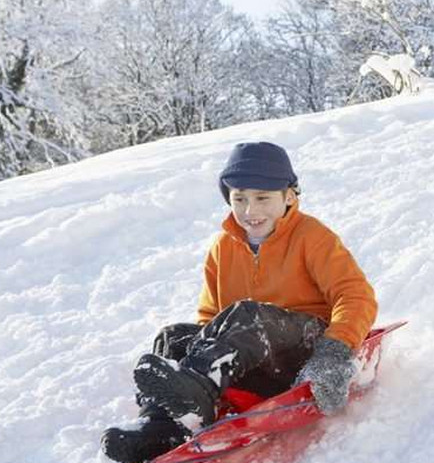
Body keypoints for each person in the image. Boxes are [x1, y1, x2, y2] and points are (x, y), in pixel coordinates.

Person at [100, 142, 379, 463]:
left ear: (288, 196)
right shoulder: (223, 248)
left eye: (263, 198)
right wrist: (196, 346)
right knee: (173, 335)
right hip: (249, 358)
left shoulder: (312, 237)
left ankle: (198, 393)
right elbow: (210, 316)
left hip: (304, 350)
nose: (250, 210)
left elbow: (355, 294)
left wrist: (334, 351)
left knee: (248, 314)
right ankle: (163, 424)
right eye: (240, 199)